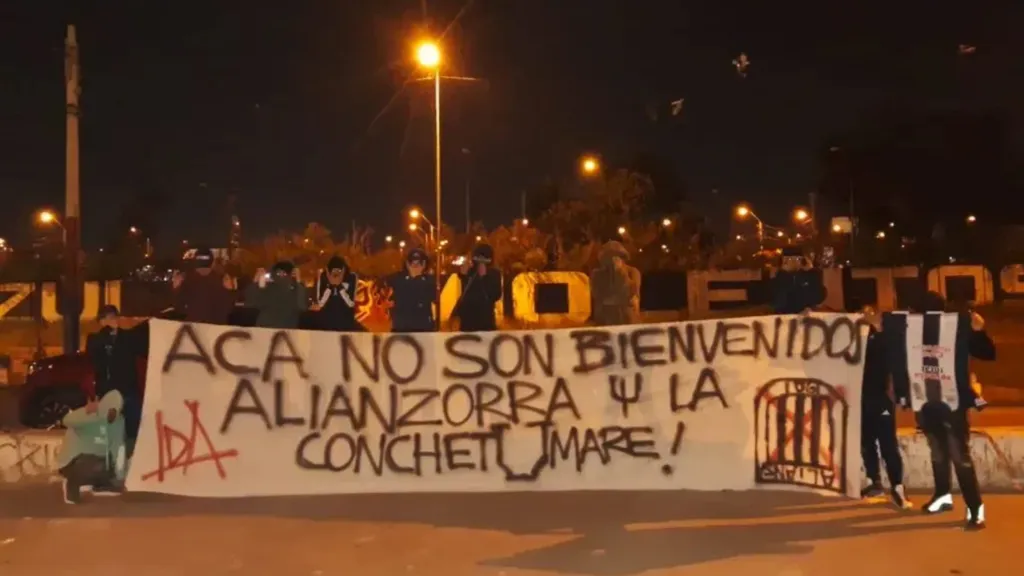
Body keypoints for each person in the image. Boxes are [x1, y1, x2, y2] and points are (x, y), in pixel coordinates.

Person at [887, 291, 996, 530]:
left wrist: (979, 330)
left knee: (959, 456)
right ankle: (942, 495)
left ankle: (976, 508)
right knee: (937, 452)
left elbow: (988, 354)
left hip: (952, 402)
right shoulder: (908, 330)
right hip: (926, 402)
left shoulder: (955, 330)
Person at [859, 305, 911, 509]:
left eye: (871, 312)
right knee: (866, 442)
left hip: (882, 398)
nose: (867, 316)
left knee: (888, 443)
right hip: (861, 398)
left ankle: (897, 486)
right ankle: (874, 481)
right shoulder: (857, 337)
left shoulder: (888, 336)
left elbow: (893, 358)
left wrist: (877, 328)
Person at [85, 305, 144, 463]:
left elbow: (143, 347)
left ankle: (132, 459)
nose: (112, 320)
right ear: (101, 321)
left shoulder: (128, 337)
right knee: (110, 428)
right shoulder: (95, 339)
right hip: (108, 392)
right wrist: (107, 335)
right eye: (108, 318)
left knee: (133, 425)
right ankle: (111, 462)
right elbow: (93, 358)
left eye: (114, 317)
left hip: (128, 389)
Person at [58, 390, 126, 503]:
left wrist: (120, 476)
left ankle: (99, 485)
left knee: (110, 463)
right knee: (90, 462)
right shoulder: (89, 414)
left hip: (98, 459)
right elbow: (66, 421)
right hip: (74, 460)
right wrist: (85, 411)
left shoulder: (119, 421)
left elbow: (118, 447)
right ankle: (72, 486)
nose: (111, 416)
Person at [172, 247, 236, 324]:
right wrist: (230, 291)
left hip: (194, 329)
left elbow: (179, 308)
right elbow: (229, 309)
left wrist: (176, 289)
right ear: (212, 262)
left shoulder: (187, 280)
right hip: (216, 330)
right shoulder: (222, 279)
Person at [245, 260, 308, 329]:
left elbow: (301, 306)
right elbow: (251, 302)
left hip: (282, 330)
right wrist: (257, 283)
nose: (281, 276)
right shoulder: (270, 288)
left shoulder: (294, 289)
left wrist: (256, 283)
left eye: (284, 273)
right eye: (279, 273)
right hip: (268, 329)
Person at [453, 244, 502, 332]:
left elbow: (496, 295)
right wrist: (463, 275)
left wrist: (484, 277)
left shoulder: (494, 274)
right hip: (467, 320)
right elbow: (465, 291)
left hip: (485, 320)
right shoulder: (470, 272)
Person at [388, 247, 436, 332]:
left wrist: (417, 278)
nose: (415, 266)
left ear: (424, 264)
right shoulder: (398, 280)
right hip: (402, 329)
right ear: (407, 263)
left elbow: (428, 297)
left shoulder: (429, 281)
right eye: (412, 263)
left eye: (419, 263)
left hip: (423, 328)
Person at [590, 240, 635, 326]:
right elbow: (597, 294)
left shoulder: (631, 272)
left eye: (617, 257)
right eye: (610, 257)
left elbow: (630, 294)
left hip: (625, 317)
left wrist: (620, 273)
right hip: (605, 317)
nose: (613, 260)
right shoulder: (597, 274)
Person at [314, 255, 362, 331]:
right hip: (326, 324)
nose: (336, 274)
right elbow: (320, 303)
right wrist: (330, 286)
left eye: (339, 271)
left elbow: (350, 303)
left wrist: (339, 286)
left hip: (345, 324)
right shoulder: (323, 276)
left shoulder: (351, 277)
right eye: (333, 271)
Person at [772, 247, 825, 314]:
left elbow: (819, 297)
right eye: (789, 259)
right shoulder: (779, 278)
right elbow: (779, 302)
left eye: (797, 258)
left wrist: (812, 272)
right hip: (783, 317)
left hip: (805, 318)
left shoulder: (807, 276)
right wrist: (784, 273)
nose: (793, 262)